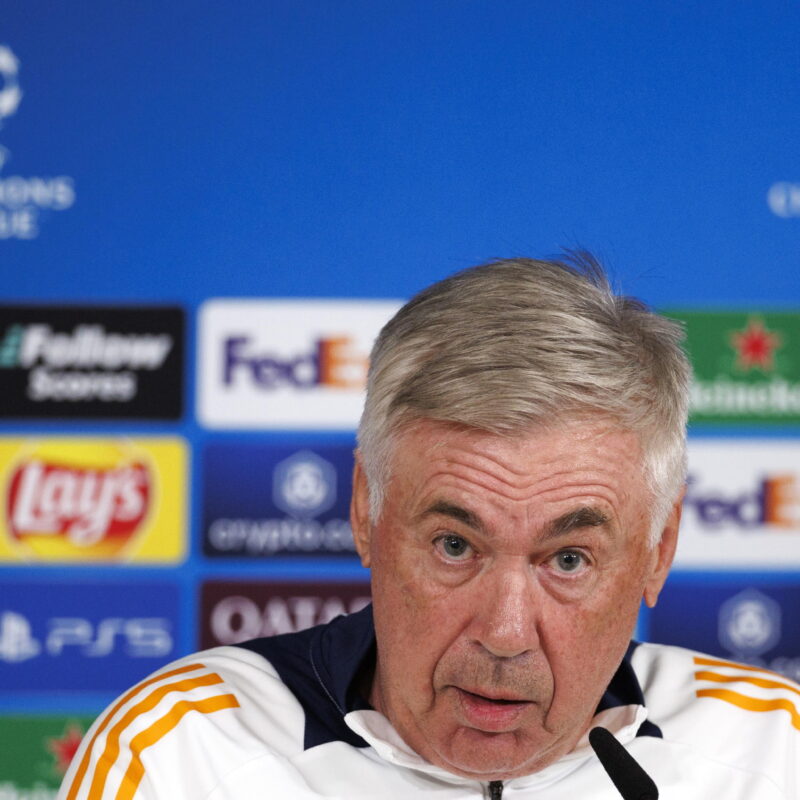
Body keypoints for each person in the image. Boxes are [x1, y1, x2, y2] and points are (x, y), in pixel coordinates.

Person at [59, 255, 799, 799]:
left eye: (568, 559)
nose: (505, 633)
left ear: (657, 551)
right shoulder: (182, 753)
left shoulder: (776, 755)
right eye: (455, 546)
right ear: (364, 511)